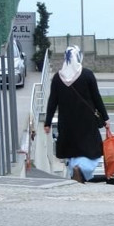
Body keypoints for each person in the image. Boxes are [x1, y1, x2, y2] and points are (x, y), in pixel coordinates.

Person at [43, 46, 110, 184]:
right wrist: (105, 118)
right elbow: (97, 98)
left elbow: (52, 102)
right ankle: (82, 169)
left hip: (67, 123)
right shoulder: (87, 74)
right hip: (87, 121)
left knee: (72, 151)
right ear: (78, 57)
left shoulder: (57, 78)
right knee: (94, 151)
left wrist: (47, 123)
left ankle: (75, 170)